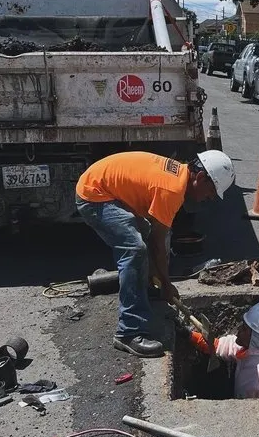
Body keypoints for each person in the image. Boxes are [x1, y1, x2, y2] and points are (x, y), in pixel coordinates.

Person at [75, 150, 235, 357]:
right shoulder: (172, 189)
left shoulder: (179, 175)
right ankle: (128, 332)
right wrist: (167, 284)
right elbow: (157, 244)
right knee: (134, 249)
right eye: (211, 191)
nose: (209, 198)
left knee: (146, 233)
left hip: (109, 191)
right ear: (201, 177)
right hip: (95, 195)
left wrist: (160, 279)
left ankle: (147, 288)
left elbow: (155, 235)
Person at [189, 301, 259, 399]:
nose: (239, 330)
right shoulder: (252, 349)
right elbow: (224, 346)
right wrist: (192, 336)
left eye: (244, 328)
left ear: (257, 337)